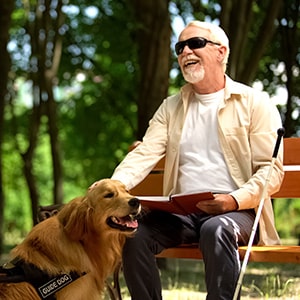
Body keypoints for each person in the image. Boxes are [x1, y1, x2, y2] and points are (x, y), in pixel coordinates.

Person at [92, 21, 284, 300]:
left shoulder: (255, 102)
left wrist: (232, 201)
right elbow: (146, 152)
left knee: (215, 228)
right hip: (181, 214)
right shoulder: (171, 107)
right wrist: (114, 183)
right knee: (135, 234)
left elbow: (271, 171)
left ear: (221, 52)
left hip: (237, 213)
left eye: (194, 43)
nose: (185, 52)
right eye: (179, 47)